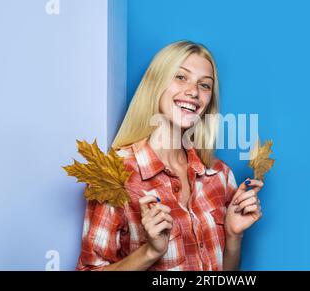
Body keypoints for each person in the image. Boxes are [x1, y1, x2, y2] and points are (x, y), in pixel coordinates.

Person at [76, 40, 264, 271]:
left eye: (205, 85)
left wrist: (234, 235)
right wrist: (150, 251)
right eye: (181, 77)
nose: (193, 92)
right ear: (156, 83)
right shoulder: (115, 175)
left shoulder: (220, 175)